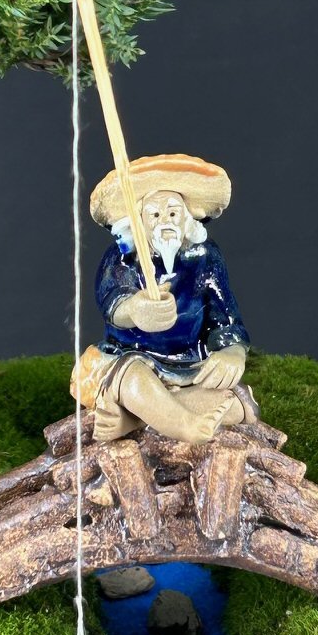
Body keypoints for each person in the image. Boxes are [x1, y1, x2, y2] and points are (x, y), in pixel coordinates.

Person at [71, 154, 254, 444]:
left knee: (238, 404)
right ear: (138, 222)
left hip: (190, 362)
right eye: (154, 215)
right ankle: (185, 424)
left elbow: (225, 315)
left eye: (173, 213)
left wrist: (233, 353)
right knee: (133, 379)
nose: (165, 221)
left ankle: (134, 418)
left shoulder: (205, 257)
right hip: (131, 356)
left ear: (187, 218)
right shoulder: (124, 258)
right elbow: (111, 302)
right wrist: (135, 309)